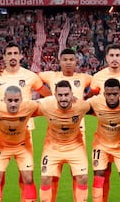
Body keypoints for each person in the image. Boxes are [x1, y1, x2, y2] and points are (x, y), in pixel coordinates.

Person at [0, 41, 51, 199]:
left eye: (15, 53)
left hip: (25, 131)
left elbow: (46, 94)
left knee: (25, 174)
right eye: (9, 54)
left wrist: (58, 101)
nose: (12, 57)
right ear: (4, 57)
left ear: (20, 56)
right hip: (0, 132)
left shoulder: (30, 76)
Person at [38, 48, 92, 201]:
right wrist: (49, 97)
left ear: (76, 61)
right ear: (59, 61)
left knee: (79, 175)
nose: (68, 62)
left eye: (71, 59)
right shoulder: (51, 76)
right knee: (51, 176)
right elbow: (33, 78)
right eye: (65, 59)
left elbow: (99, 86)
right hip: (55, 129)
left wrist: (86, 98)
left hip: (77, 131)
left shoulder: (84, 77)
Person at [87, 43, 120, 201]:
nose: (114, 59)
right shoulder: (98, 77)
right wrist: (105, 115)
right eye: (111, 56)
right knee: (103, 172)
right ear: (106, 58)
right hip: (104, 131)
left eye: (118, 55)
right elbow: (90, 101)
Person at [0, 86, 39, 202]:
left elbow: (47, 105)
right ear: (4, 100)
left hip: (23, 146)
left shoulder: (29, 106)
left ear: (21, 99)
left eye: (16, 100)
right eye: (10, 100)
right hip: (2, 146)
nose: (13, 104)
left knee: (28, 178)